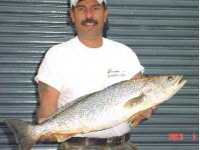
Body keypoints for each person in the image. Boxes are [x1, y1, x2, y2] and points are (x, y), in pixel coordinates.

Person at [35, 0, 157, 149]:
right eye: (81, 9)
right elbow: (47, 104)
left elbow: (140, 98)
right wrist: (43, 126)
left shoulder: (125, 53)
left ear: (105, 13)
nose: (89, 15)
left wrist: (146, 109)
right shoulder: (56, 55)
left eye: (95, 8)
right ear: (72, 15)